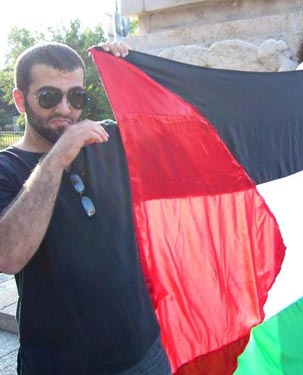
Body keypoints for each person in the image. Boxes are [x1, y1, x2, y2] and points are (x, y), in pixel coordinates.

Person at [0, 41, 171, 374]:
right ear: (20, 100)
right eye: (49, 97)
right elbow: (8, 255)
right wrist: (59, 155)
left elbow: (171, 125)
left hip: (144, 351)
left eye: (76, 97)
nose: (65, 109)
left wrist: (130, 68)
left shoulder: (105, 140)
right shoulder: (7, 168)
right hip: (61, 364)